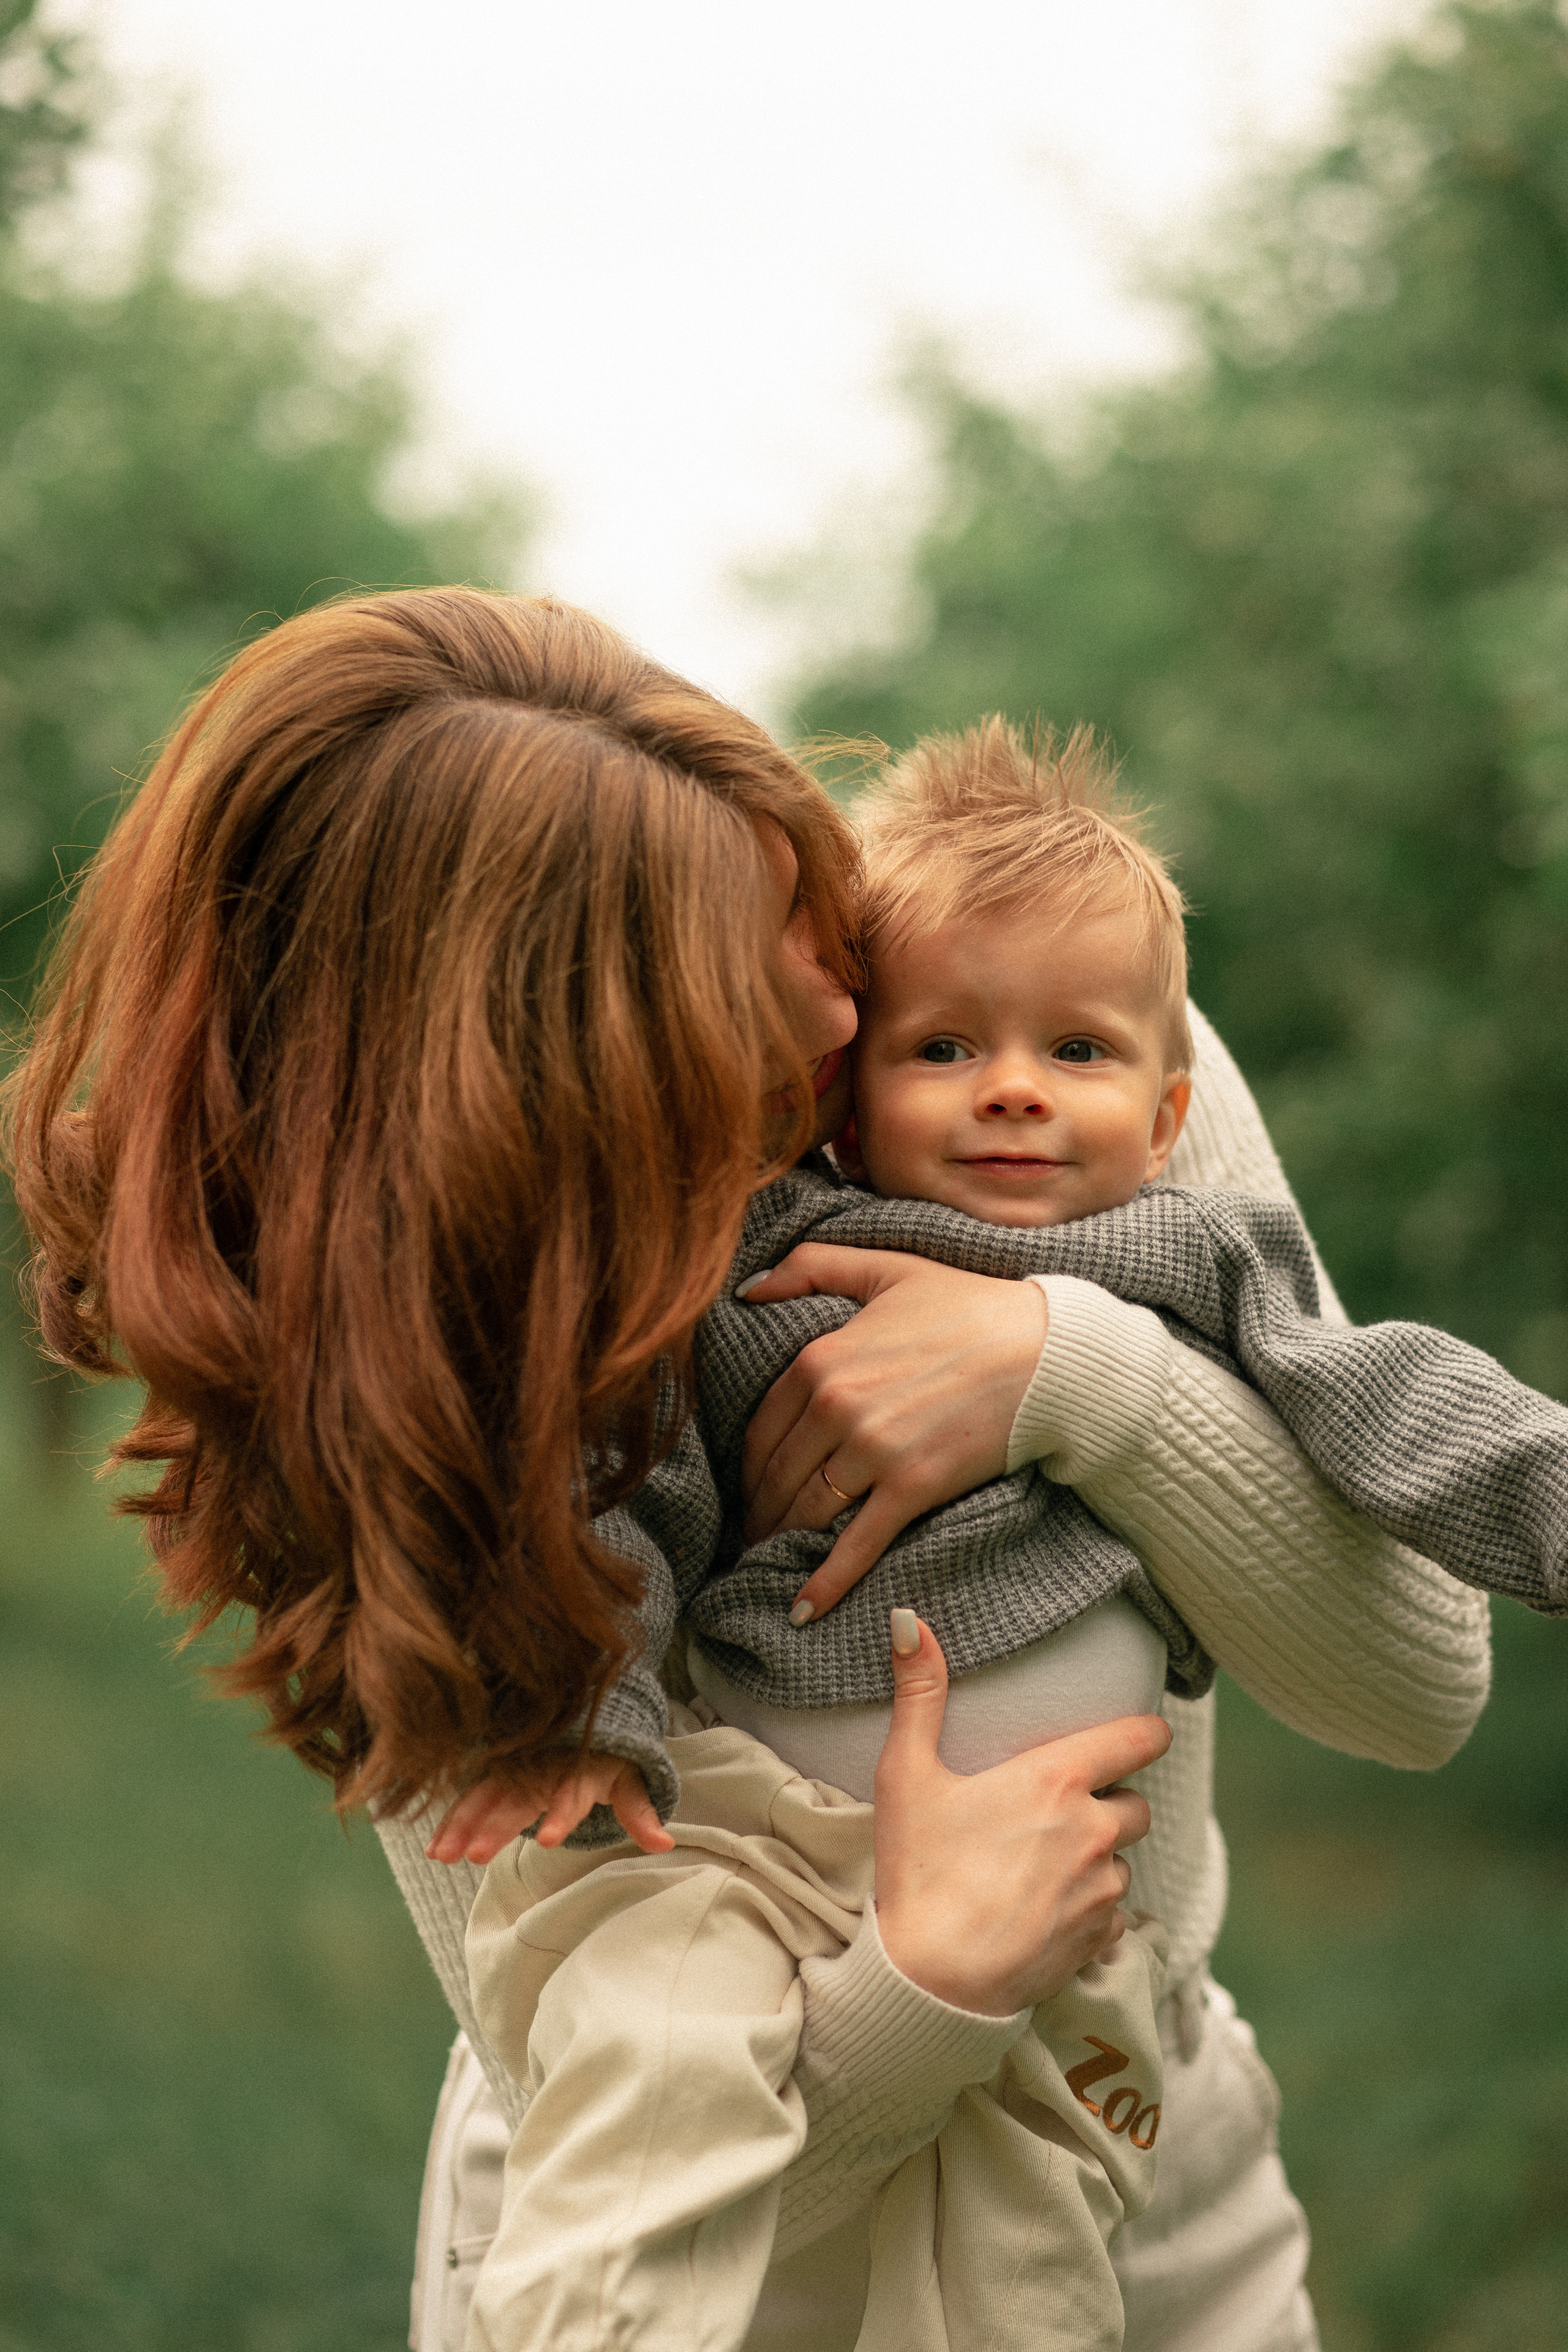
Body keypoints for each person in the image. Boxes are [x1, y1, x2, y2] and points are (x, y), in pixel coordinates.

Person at [1, 587, 1167, 2334]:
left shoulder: (1047, 1027)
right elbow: (616, 2135)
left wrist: (1074, 1368)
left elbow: (1417, 1681)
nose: (843, 1012)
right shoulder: (423, 1434)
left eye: (807, 908)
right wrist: (930, 1982)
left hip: (1154, 2203)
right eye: (744, 962)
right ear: (561, 1062)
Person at [437, 720, 1567, 2352]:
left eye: (1079, 1056)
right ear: (837, 1096)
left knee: (1036, 2265)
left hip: (1076, 1933)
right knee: (659, 2070)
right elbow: (628, 1499)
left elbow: (1390, 1400)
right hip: (760, 1863)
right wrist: (591, 1716)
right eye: (945, 1049)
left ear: (1169, 1106)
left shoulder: (1187, 1255)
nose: (1017, 1087)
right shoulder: (767, 1260)